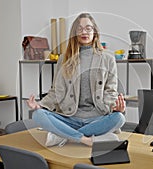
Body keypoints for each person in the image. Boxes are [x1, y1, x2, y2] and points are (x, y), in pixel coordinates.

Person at [27, 13, 126, 147]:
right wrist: (40, 105)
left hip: (97, 118)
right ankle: (84, 139)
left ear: (95, 31)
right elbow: (56, 91)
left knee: (119, 118)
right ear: (74, 33)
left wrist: (114, 106)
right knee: (38, 115)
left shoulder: (108, 58)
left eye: (88, 28)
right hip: (70, 118)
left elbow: (111, 91)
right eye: (79, 29)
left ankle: (65, 136)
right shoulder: (64, 59)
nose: (84, 32)